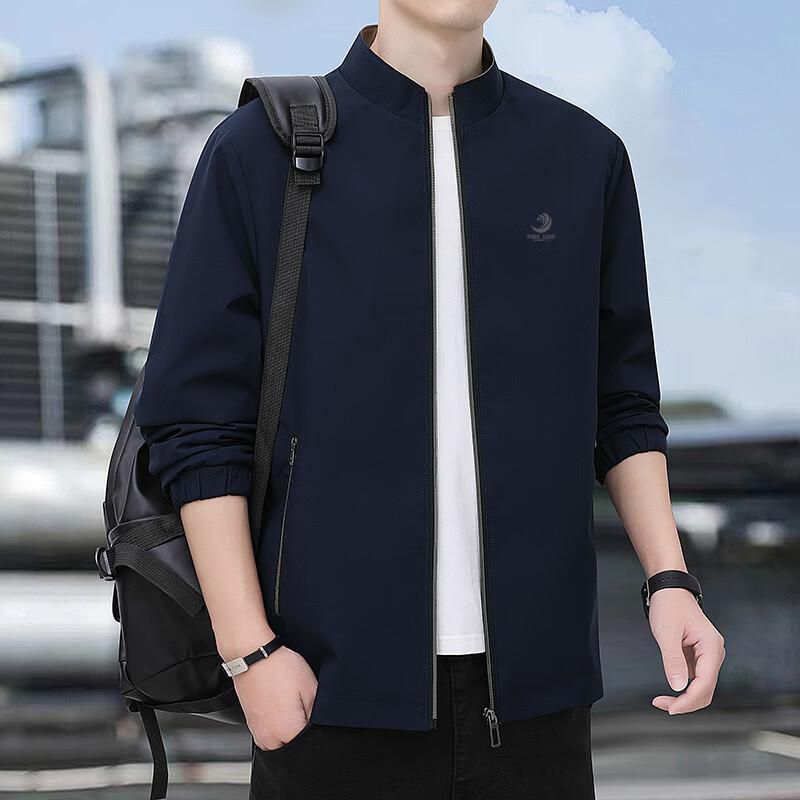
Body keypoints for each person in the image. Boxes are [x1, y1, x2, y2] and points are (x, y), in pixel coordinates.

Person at [134, 2, 726, 798]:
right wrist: (249, 654)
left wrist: (670, 583)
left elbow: (622, 403)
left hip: (540, 701)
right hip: (323, 693)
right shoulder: (257, 152)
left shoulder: (583, 157)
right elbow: (198, 427)